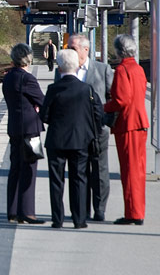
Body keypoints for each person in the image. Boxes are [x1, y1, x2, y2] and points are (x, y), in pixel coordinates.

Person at [40, 49, 101, 229]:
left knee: (56, 181)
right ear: (78, 66)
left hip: (56, 141)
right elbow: (97, 112)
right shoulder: (86, 89)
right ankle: (79, 219)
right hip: (80, 141)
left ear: (59, 68)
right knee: (79, 179)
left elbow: (44, 116)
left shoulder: (53, 89)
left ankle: (57, 219)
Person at [55, 34, 113, 221]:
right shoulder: (62, 71)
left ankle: (99, 209)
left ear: (85, 50)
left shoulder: (103, 70)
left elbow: (112, 97)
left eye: (73, 48)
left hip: (97, 131)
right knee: (79, 173)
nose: (69, 51)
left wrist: (106, 122)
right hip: (75, 132)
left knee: (99, 171)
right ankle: (81, 210)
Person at [105, 34, 149, 225]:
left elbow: (122, 100)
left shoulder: (122, 70)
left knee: (129, 170)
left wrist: (103, 106)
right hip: (140, 123)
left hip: (128, 125)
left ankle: (133, 213)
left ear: (118, 50)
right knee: (138, 170)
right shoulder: (138, 69)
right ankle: (137, 210)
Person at [1, 43, 45, 224]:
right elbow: (42, 101)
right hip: (30, 131)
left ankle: (12, 211)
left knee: (15, 169)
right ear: (28, 58)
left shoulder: (8, 78)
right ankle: (27, 212)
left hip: (14, 129)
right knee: (29, 170)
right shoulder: (28, 79)